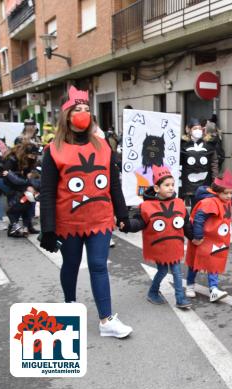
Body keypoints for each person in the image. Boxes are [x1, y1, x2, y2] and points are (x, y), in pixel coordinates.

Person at [38, 86, 133, 338]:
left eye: (87, 109)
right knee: (71, 264)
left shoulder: (103, 145)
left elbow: (113, 183)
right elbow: (46, 191)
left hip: (100, 220)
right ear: (67, 115)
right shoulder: (53, 150)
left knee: (98, 265)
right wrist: (47, 228)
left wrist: (122, 215)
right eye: (77, 109)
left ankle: (106, 320)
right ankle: (69, 307)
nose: (83, 113)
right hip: (68, 222)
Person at [122, 165, 194, 309]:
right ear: (156, 188)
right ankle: (154, 292)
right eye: (167, 185)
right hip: (160, 247)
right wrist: (128, 225)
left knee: (176, 271)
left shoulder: (179, 204)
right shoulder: (147, 206)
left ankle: (179, 298)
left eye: (173, 185)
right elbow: (139, 222)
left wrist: (194, 236)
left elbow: (185, 225)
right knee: (163, 271)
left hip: (175, 246)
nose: (171, 188)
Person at [185, 170, 232, 302]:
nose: (229, 196)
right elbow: (199, 218)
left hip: (215, 240)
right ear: (217, 191)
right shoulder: (210, 202)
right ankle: (190, 285)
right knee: (195, 264)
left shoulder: (222, 199)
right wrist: (198, 237)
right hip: (203, 239)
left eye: (231, 192)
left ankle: (213, 289)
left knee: (214, 263)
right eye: (226, 193)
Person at [180, 117, 219, 209]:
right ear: (189, 130)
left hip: (205, 181)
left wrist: (215, 179)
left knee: (202, 206)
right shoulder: (183, 144)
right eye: (194, 128)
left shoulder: (209, 145)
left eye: (199, 128)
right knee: (192, 206)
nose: (197, 131)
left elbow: (214, 163)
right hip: (188, 183)